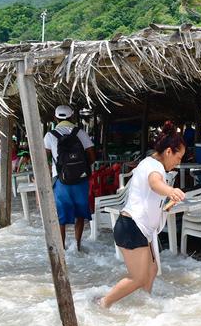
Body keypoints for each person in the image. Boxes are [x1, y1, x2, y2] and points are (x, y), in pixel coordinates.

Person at [100, 132, 186, 308]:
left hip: (138, 228)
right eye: (179, 157)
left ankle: (143, 306)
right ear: (169, 151)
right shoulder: (155, 167)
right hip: (132, 227)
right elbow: (155, 183)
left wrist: (169, 202)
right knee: (138, 278)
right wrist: (170, 191)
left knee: (152, 270)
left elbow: (152, 199)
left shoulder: (148, 163)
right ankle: (102, 304)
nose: (179, 162)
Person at [44, 104, 97, 252]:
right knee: (80, 213)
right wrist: (81, 168)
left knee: (61, 216)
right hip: (81, 179)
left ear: (55, 118)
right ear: (72, 117)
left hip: (60, 180)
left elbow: (43, 159)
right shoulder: (80, 133)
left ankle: (62, 249)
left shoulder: (50, 136)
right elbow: (92, 156)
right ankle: (78, 245)